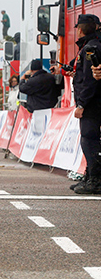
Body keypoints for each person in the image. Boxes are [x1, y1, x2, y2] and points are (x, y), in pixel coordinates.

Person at [71, 14, 101, 194]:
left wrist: (81, 104)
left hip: (92, 103)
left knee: (89, 139)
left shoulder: (91, 48)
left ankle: (95, 180)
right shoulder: (90, 46)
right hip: (93, 101)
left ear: (80, 29)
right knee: (90, 140)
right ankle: (90, 177)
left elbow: (90, 81)